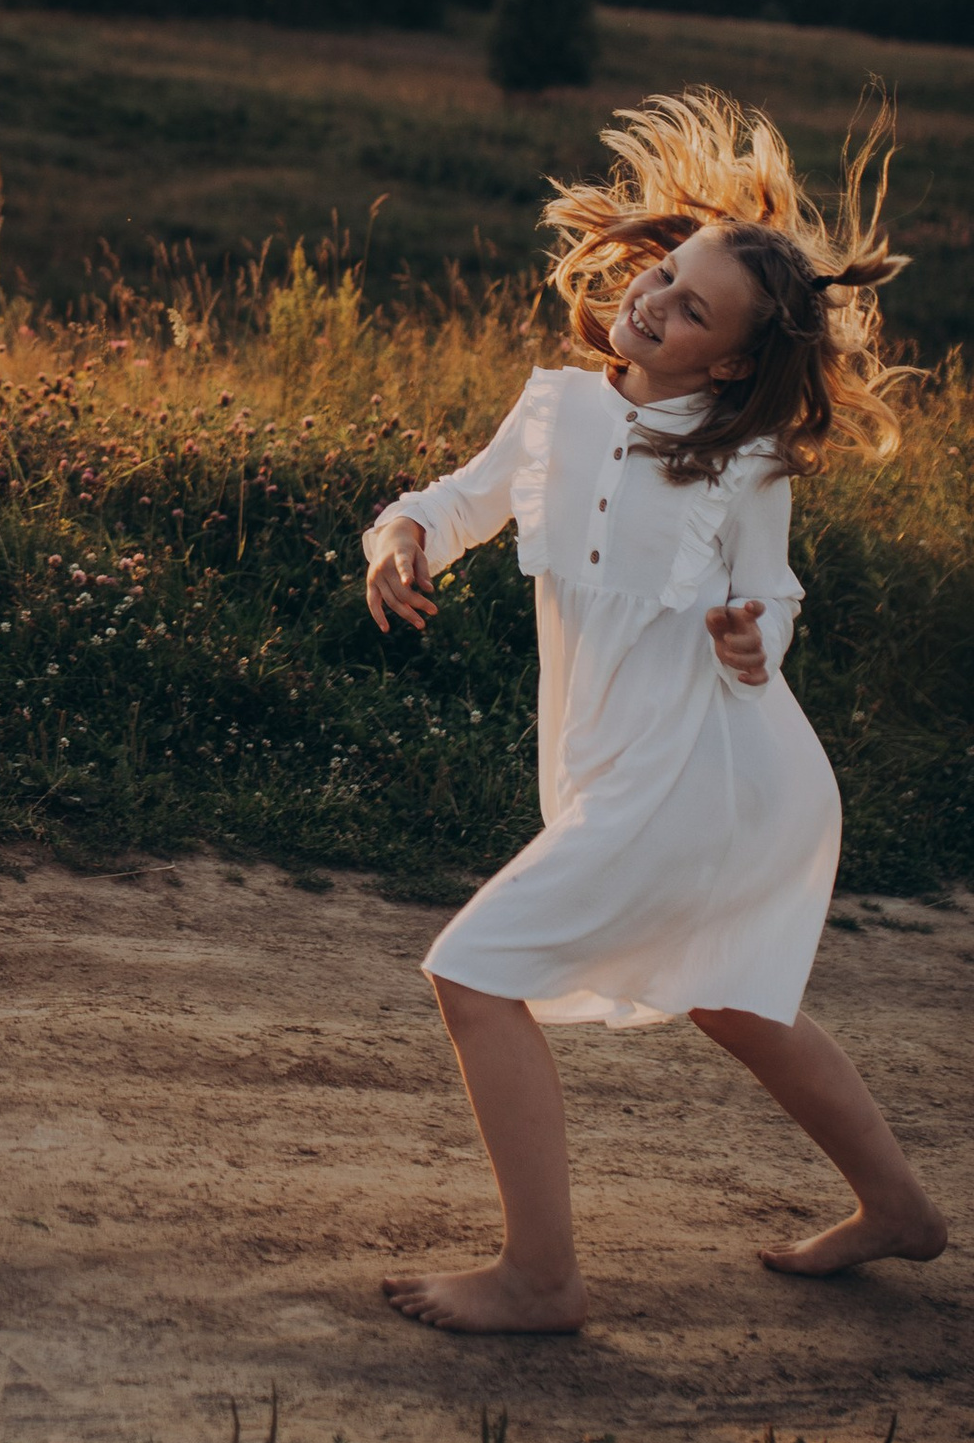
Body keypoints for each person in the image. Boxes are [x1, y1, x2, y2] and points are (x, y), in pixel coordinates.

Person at [362, 88, 946, 1334]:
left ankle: (541, 1277)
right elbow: (458, 502)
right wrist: (401, 537)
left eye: (692, 308)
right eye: (665, 276)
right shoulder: (555, 407)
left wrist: (750, 640)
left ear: (730, 359)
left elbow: (770, 594)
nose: (656, 302)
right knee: (738, 1004)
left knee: (470, 973)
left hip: (712, 771)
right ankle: (896, 1210)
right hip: (623, 762)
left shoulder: (745, 462)